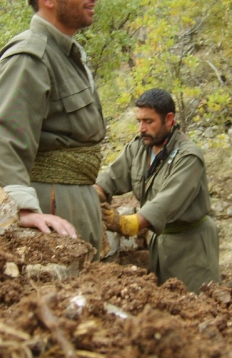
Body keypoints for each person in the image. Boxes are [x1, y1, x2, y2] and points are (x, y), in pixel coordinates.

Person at [0, 0, 106, 258]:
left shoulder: (66, 54)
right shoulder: (30, 55)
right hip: (52, 210)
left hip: (73, 206)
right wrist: (22, 209)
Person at [94, 88, 221, 293]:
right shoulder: (139, 148)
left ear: (169, 119)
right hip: (160, 245)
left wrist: (126, 223)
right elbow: (110, 177)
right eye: (139, 121)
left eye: (148, 121)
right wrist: (96, 193)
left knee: (197, 306)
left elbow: (166, 202)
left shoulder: (188, 157)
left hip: (191, 248)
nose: (141, 128)